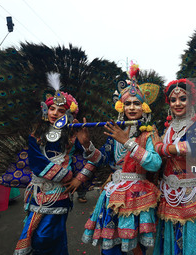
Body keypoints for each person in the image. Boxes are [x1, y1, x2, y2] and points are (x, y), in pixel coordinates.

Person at [14, 73, 99, 255]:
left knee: (47, 237)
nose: (55, 113)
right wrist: (68, 175)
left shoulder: (72, 135)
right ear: (46, 109)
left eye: (61, 111)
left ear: (68, 114)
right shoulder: (36, 133)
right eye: (52, 108)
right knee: (36, 235)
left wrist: (78, 178)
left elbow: (96, 159)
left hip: (59, 195)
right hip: (36, 194)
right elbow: (36, 161)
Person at [82, 64, 162, 254]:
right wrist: (87, 145)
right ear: (121, 106)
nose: (132, 107)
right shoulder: (115, 131)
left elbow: (155, 163)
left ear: (144, 107)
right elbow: (102, 160)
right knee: (110, 249)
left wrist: (128, 143)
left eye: (136, 103)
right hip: (112, 196)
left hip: (138, 198)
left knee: (134, 248)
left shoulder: (149, 133)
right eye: (128, 103)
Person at [151, 79, 196, 255]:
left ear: (191, 101)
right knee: (170, 234)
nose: (178, 103)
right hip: (168, 190)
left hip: (191, 192)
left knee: (191, 235)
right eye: (173, 100)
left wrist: (160, 148)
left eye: (183, 98)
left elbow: (191, 148)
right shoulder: (168, 128)